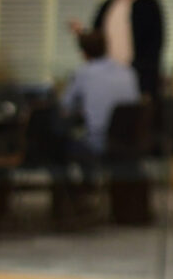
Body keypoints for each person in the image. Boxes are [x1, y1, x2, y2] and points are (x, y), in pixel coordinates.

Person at [52, 29, 141, 220]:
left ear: (83, 53)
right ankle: (89, 187)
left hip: (98, 143)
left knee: (59, 147)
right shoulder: (128, 72)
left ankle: (78, 197)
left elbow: (65, 107)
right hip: (129, 143)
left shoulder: (84, 73)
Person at [69, 0, 165, 99]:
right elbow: (96, 39)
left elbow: (155, 44)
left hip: (136, 78)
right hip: (107, 77)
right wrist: (82, 33)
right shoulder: (107, 6)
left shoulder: (148, 5)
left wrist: (144, 77)